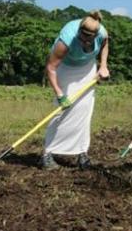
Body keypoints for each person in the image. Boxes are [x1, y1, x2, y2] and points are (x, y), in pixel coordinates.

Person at [40, 10, 110, 170]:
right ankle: (47, 153)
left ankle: (81, 152)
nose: (85, 40)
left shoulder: (102, 32)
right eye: (82, 36)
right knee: (61, 111)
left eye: (88, 37)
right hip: (65, 68)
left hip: (87, 68)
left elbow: (106, 44)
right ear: (78, 31)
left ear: (95, 34)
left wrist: (103, 66)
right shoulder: (67, 39)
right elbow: (51, 68)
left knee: (85, 109)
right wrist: (59, 94)